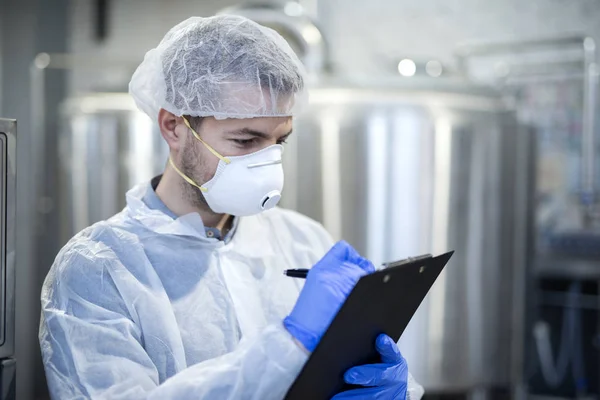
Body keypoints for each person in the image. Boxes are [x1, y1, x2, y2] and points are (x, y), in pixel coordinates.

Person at [39, 15, 424, 400]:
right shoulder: (97, 271)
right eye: (244, 140)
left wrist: (389, 388)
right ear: (173, 126)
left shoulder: (301, 239)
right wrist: (289, 344)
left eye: (279, 142)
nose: (267, 165)